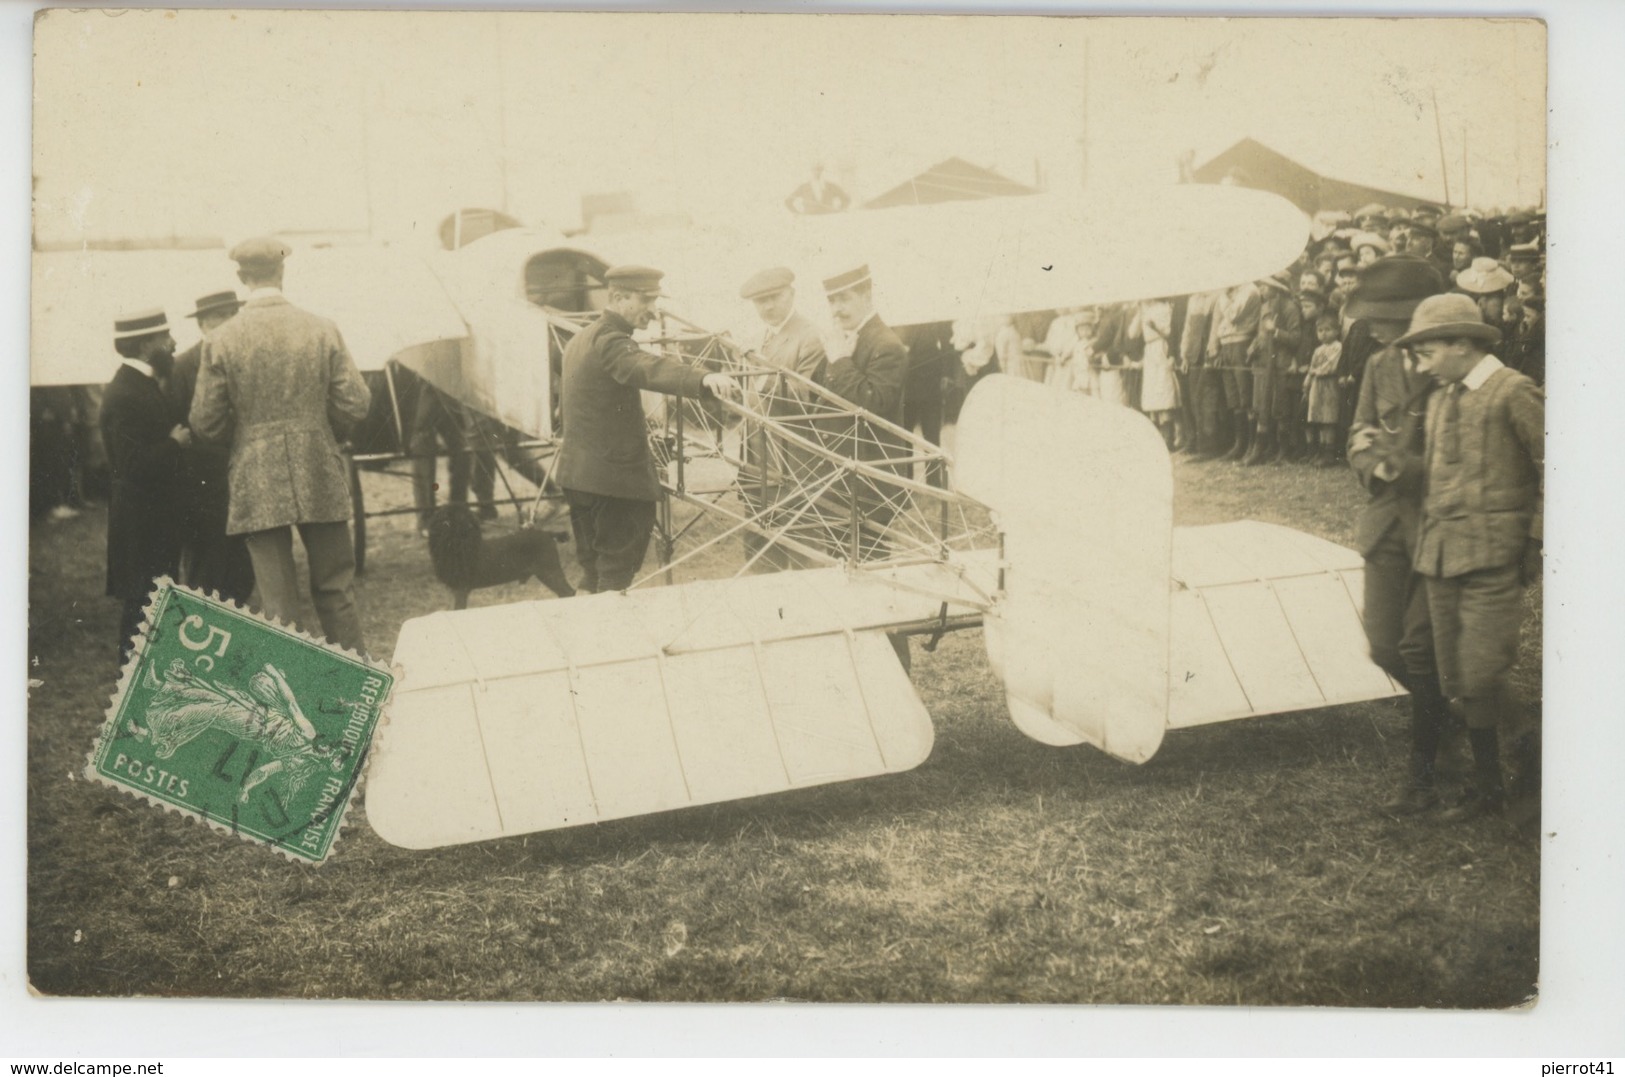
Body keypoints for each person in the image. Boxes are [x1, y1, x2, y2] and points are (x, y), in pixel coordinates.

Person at [190, 237, 373, 654]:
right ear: (283, 271)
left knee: (278, 606)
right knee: (335, 589)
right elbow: (357, 403)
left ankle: (294, 699)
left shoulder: (220, 339)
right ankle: (361, 691)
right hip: (318, 465)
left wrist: (247, 432)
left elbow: (205, 422)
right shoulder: (321, 327)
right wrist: (319, 425)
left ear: (241, 277)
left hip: (255, 474)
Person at [1403, 293, 1544, 823]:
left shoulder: (1512, 392)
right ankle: (1488, 790)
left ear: (1462, 344)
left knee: (1483, 670)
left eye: (1427, 350)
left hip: (1493, 557)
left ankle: (1534, 766)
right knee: (1456, 677)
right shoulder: (1442, 397)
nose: (1421, 363)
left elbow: (1554, 464)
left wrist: (1533, 540)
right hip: (1440, 556)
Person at [1344, 255, 1452, 815]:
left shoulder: (1454, 364)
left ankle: (1425, 774)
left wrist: (1406, 467)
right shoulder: (1380, 364)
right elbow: (1359, 433)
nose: (1374, 325)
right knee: (1384, 644)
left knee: (1422, 650)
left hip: (1438, 526)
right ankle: (1458, 720)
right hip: (1387, 523)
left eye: (1387, 316)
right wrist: (1373, 464)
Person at [556, 265, 739, 593]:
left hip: (579, 479)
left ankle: (593, 638)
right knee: (615, 573)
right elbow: (646, 366)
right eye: (646, 300)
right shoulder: (611, 341)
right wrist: (702, 378)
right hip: (613, 485)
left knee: (594, 573)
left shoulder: (579, 339)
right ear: (617, 297)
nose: (653, 311)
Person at [102, 308, 188, 663]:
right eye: (164, 338)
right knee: (141, 605)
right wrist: (175, 443)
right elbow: (131, 464)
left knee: (153, 600)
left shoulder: (141, 384)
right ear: (144, 344)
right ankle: (130, 679)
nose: (172, 343)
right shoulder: (124, 393)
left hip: (154, 519)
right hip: (141, 523)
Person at [166, 290, 256, 605]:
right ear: (204, 324)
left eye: (234, 315)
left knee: (243, 561)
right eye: (222, 317)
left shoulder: (250, 357)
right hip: (203, 480)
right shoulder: (182, 366)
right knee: (206, 561)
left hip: (243, 471)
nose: (231, 323)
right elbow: (178, 422)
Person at [737, 266, 829, 569]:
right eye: (760, 301)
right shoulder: (759, 336)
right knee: (761, 554)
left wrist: (761, 377)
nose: (767, 306)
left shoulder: (810, 336)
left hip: (795, 465)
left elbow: (808, 395)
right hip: (757, 463)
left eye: (774, 298)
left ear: (791, 294)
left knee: (804, 549)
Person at [1242, 273, 1301, 466]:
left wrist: (1275, 332)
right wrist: (1253, 347)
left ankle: (1282, 452)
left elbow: (1295, 338)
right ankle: (1260, 449)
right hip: (1262, 365)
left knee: (1280, 408)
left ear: (1276, 288)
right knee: (1261, 407)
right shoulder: (1264, 307)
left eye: (1265, 286)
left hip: (1280, 365)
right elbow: (1260, 336)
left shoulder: (1289, 308)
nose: (1261, 290)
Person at [1211, 279, 1261, 460]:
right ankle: (1239, 444)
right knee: (1234, 397)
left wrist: (1224, 295)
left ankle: (1251, 444)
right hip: (1226, 344)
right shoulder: (1228, 291)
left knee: (1245, 394)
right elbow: (1217, 322)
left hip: (1242, 342)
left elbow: (1232, 315)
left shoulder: (1250, 290)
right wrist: (1215, 348)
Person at [1137, 296, 1181, 450]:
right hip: (1149, 351)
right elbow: (1133, 334)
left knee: (1164, 393)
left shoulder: (1164, 308)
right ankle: (1157, 439)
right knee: (1151, 395)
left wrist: (1155, 327)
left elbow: (1169, 332)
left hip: (1161, 349)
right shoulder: (1144, 309)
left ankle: (1168, 439)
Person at [1304, 313, 1343, 467]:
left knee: (1328, 418)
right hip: (1316, 385)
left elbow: (1331, 366)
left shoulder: (1337, 347)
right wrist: (1308, 379)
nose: (1323, 333)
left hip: (1329, 384)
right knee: (1319, 418)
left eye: (1327, 330)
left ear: (1336, 331)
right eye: (1320, 330)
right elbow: (1312, 366)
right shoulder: (1318, 350)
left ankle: (1329, 453)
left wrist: (1316, 372)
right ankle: (1320, 450)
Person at [784, 164, 850, 215]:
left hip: (828, 219)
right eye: (814, 170)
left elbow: (846, 199)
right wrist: (796, 213)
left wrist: (840, 210)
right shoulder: (804, 187)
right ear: (811, 171)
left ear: (823, 171)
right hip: (810, 220)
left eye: (819, 170)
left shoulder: (831, 186)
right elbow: (788, 201)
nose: (817, 172)